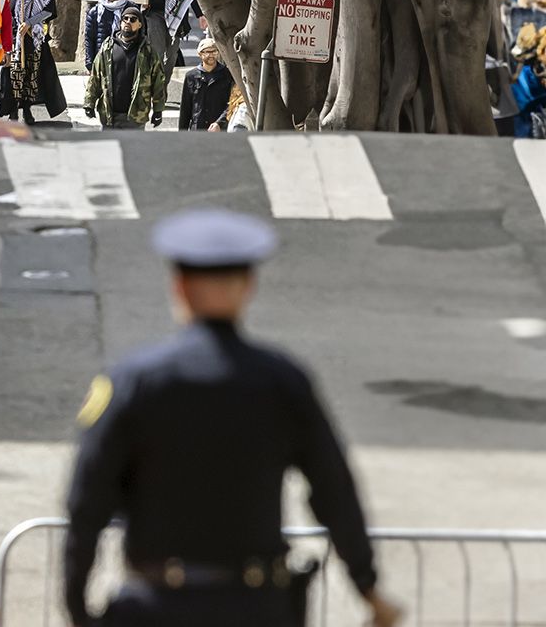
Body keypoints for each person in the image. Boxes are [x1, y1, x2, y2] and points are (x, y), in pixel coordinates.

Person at [64, 209, 400, 627]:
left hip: (157, 608)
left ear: (179, 287)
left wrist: (77, 605)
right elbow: (334, 491)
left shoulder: (133, 382)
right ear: (248, 288)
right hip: (257, 608)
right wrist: (367, 587)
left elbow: (87, 502)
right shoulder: (283, 383)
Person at [0, 0, 67, 124]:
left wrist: (30, 22)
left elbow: (50, 11)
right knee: (15, 71)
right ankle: (13, 109)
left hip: (35, 35)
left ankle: (27, 109)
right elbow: (6, 7)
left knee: (32, 73)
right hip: (17, 34)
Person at [84, 6, 168, 129]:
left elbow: (158, 82)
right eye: (125, 19)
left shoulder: (148, 51)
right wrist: (89, 103)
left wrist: (158, 110)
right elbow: (95, 77)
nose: (128, 22)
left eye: (133, 19)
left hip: (135, 116)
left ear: (140, 25)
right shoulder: (107, 47)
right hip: (109, 114)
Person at [179, 37, 235, 131]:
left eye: (214, 52)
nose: (211, 55)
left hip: (220, 130)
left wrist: (220, 122)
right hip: (197, 129)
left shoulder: (227, 74)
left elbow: (232, 103)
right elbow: (185, 108)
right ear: (200, 54)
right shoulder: (191, 76)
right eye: (207, 52)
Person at [83, 0, 134, 72]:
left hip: (126, 61)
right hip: (102, 61)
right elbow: (89, 38)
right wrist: (90, 64)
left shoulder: (131, 8)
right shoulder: (95, 12)